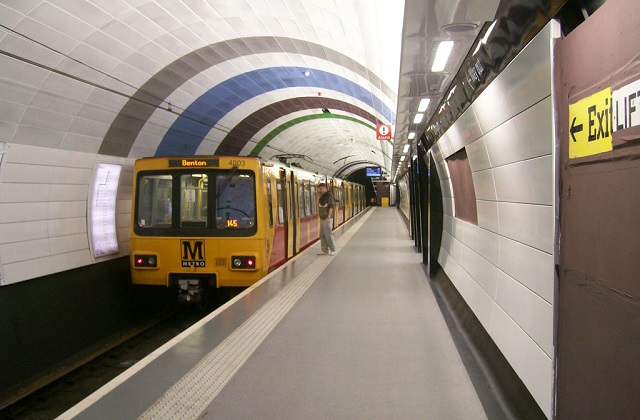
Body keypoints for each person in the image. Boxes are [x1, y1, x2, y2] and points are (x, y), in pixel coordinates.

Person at [317, 182, 336, 256]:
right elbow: (317, 205)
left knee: (328, 234)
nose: (320, 190)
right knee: (322, 235)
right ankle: (324, 250)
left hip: (327, 218)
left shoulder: (329, 196)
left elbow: (331, 207)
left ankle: (333, 249)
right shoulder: (321, 196)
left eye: (321, 189)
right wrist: (318, 196)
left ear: (325, 188)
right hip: (322, 217)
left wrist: (328, 217)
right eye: (319, 189)